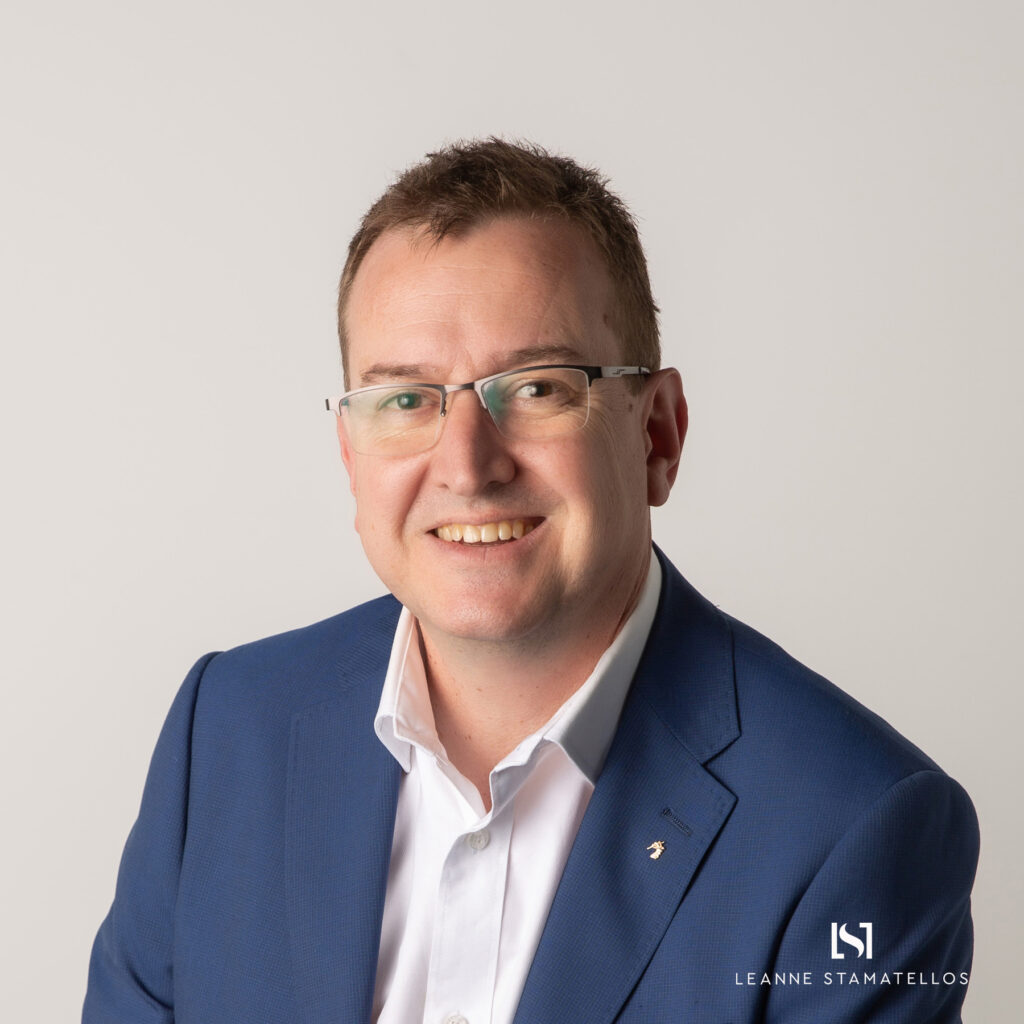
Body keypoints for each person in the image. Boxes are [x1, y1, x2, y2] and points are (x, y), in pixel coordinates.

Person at [84, 139, 979, 1024]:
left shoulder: (856, 828)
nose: (467, 465)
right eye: (405, 399)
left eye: (540, 388)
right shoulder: (226, 730)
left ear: (657, 434)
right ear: (351, 453)